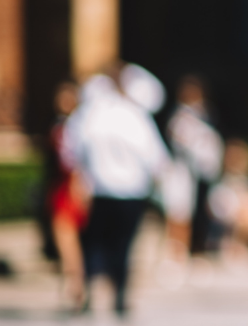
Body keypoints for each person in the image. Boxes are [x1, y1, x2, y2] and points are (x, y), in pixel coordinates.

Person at [62, 63, 170, 316]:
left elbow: (71, 148)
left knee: (95, 243)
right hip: (131, 191)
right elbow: (154, 157)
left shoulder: (90, 114)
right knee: (123, 244)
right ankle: (119, 294)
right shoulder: (134, 115)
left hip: (98, 188)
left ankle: (88, 290)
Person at [162, 74, 224, 261]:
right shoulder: (180, 116)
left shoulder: (206, 115)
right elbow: (180, 140)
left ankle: (191, 250)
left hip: (202, 172)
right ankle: (176, 253)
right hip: (182, 171)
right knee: (178, 212)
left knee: (195, 212)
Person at [46, 81, 89, 307]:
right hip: (63, 185)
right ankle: (73, 284)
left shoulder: (74, 126)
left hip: (71, 187)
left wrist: (78, 187)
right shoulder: (68, 124)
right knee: (68, 240)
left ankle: (76, 286)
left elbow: (73, 160)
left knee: (67, 240)